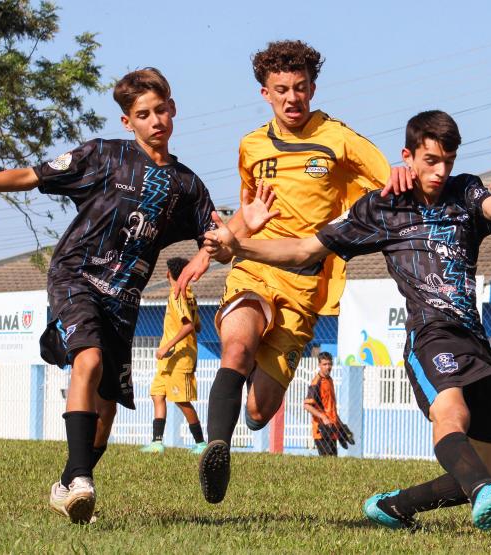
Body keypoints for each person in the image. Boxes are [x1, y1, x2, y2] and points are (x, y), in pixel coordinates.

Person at [0, 67, 271, 524]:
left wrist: (243, 225)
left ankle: (69, 482)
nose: (155, 120)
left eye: (161, 110)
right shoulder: (102, 156)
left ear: (173, 109)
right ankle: (80, 479)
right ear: (128, 122)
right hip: (76, 275)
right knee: (89, 359)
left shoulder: (187, 186)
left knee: (106, 412)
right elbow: (31, 175)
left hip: (124, 299)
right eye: (143, 114)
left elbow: (215, 245)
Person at [203, 110, 491, 530]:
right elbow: (307, 250)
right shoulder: (383, 207)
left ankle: (396, 506)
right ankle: (481, 495)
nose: (440, 171)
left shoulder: (464, 189)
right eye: (431, 160)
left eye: (448, 161)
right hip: (431, 334)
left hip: (476, 341)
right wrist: (242, 247)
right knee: (451, 413)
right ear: (408, 156)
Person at [186, 39, 411, 504]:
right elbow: (246, 215)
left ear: (313, 87)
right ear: (265, 93)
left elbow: (386, 175)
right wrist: (212, 248)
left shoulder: (338, 138)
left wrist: (403, 174)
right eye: (282, 89)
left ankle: (243, 406)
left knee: (259, 409)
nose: (293, 98)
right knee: (237, 346)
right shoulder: (250, 146)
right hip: (254, 268)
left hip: (306, 285)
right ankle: (218, 450)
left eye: (301, 88)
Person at [140, 257, 207, 455]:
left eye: (167, 270)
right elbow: (198, 326)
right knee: (157, 394)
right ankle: (157, 443)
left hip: (178, 356)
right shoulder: (188, 294)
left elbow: (188, 326)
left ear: (170, 273)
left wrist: (167, 345)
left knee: (181, 400)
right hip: (169, 358)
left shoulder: (177, 295)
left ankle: (201, 443)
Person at [303, 352, 353, 457]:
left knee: (333, 462)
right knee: (328, 462)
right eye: (324, 364)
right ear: (319, 365)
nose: (328, 367)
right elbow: (307, 405)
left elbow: (330, 407)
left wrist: (340, 424)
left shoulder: (329, 380)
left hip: (332, 428)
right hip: (322, 429)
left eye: (330, 364)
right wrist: (323, 417)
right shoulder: (316, 382)